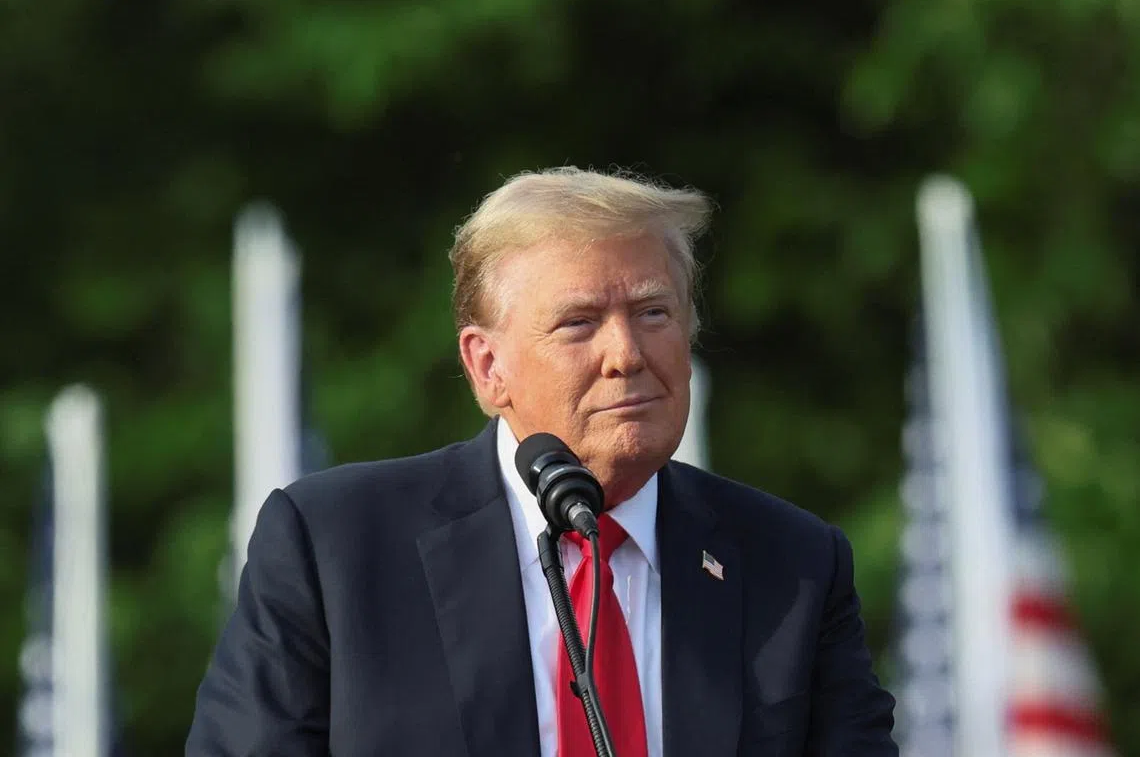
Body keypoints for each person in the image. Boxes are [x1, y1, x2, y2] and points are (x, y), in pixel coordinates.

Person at [186, 166, 898, 756]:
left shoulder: (793, 565)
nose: (626, 355)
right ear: (487, 366)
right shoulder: (335, 548)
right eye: (579, 324)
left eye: (654, 313)